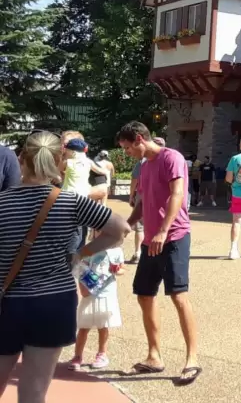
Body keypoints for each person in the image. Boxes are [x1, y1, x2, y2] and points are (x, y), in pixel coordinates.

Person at [0, 130, 130, 403]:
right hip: (53, 302)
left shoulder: (4, 203)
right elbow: (120, 228)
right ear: (60, 161)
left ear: (22, 158)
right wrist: (81, 253)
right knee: (34, 391)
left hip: (7, 301)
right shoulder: (70, 202)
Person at [118, 121, 200, 385]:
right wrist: (127, 226)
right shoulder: (145, 166)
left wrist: (163, 231)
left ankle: (192, 359)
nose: (126, 153)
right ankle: (154, 356)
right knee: (144, 294)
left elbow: (177, 194)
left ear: (140, 139)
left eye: (127, 148)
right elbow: (143, 201)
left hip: (174, 236)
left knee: (178, 296)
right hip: (151, 241)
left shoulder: (171, 158)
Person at [68, 236, 125, 371]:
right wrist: (83, 286)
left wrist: (117, 270)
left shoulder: (117, 251)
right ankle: (77, 355)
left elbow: (122, 269)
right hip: (90, 289)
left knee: (103, 325)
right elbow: (81, 268)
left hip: (106, 291)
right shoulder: (90, 249)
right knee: (84, 326)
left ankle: (102, 354)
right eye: (98, 230)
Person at [127, 154, 146, 264]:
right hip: (158, 198)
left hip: (142, 195)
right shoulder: (166, 160)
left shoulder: (142, 162)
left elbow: (135, 179)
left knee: (140, 226)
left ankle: (138, 253)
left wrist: (131, 196)